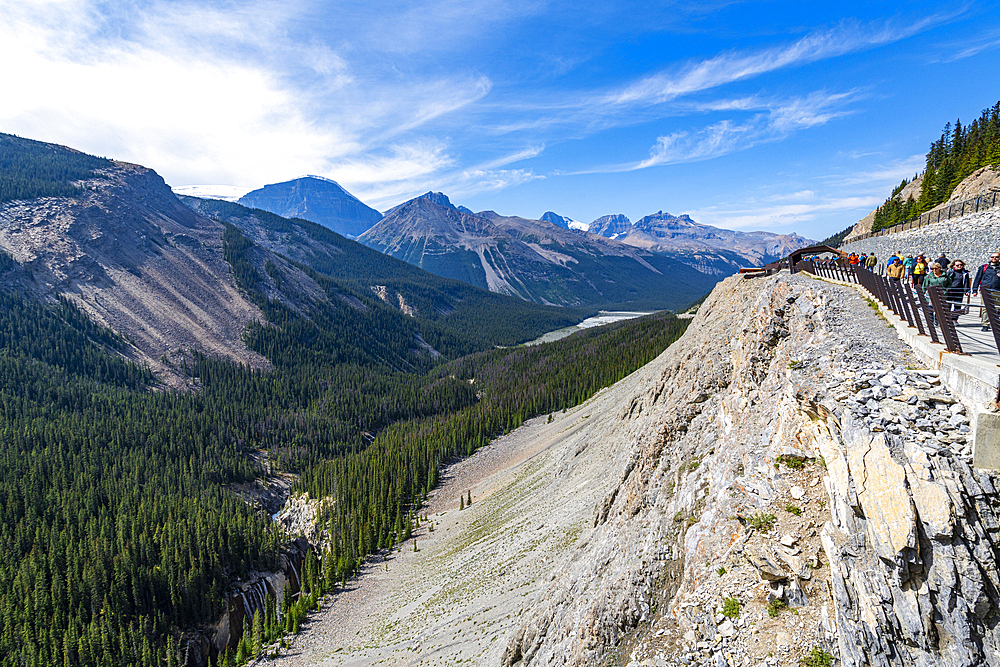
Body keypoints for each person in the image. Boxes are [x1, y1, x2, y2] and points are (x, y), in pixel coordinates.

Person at [973, 252, 1000, 331]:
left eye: (997, 257)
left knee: (997, 308)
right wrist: (975, 290)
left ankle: (995, 324)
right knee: (985, 308)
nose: (994, 258)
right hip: (985, 290)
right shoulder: (984, 267)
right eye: (992, 257)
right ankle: (985, 324)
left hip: (997, 290)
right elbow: (977, 278)